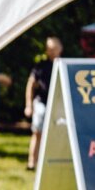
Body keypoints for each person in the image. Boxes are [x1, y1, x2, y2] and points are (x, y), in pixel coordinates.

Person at [24, 36, 63, 170]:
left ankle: (54, 163)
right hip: (42, 103)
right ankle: (32, 162)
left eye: (54, 48)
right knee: (38, 132)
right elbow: (30, 85)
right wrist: (29, 105)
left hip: (59, 105)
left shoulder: (64, 65)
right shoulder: (40, 66)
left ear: (60, 49)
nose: (52, 51)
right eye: (49, 49)